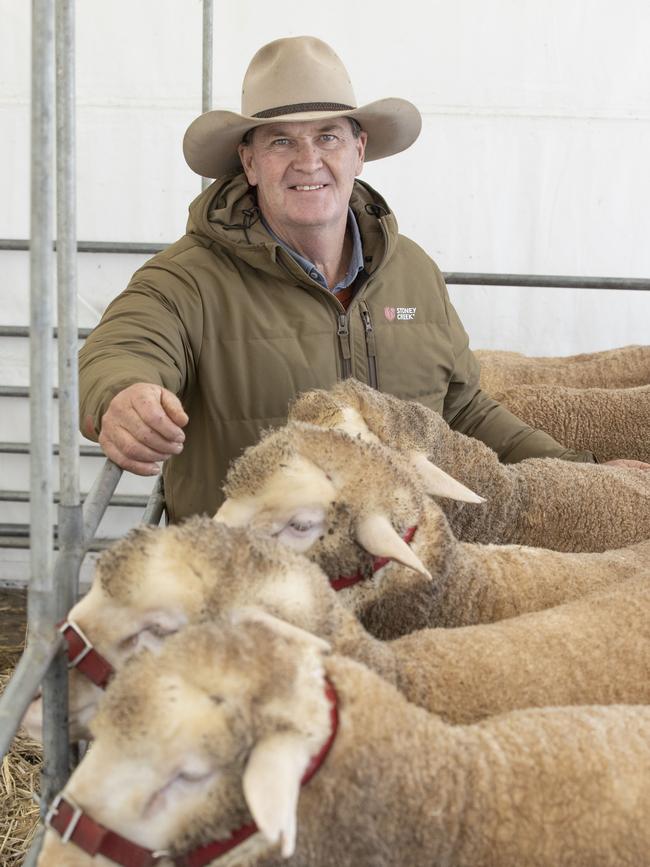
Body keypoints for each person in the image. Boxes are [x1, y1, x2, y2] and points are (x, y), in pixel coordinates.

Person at [78, 36, 647, 523]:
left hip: (399, 564)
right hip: (256, 578)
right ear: (249, 163)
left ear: (359, 151)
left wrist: (578, 472)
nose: (307, 160)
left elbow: (463, 409)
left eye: (327, 136)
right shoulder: (186, 280)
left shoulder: (414, 271)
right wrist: (123, 397)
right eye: (280, 140)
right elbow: (125, 347)